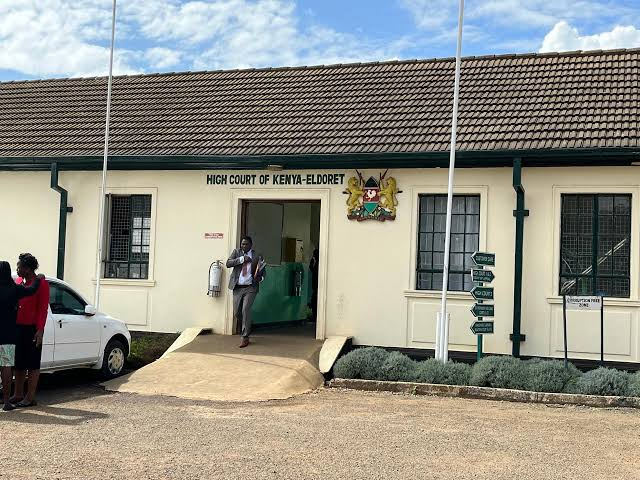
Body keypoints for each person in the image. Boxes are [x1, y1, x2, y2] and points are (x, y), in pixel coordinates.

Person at [0, 261, 44, 411]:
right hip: (7, 335)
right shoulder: (14, 289)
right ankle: (7, 402)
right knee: (6, 366)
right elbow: (32, 290)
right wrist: (38, 278)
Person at [11, 253, 49, 408]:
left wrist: (40, 329)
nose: (17, 269)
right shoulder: (19, 282)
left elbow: (43, 308)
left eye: (19, 267)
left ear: (27, 269)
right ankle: (18, 394)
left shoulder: (41, 284)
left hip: (32, 328)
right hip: (18, 327)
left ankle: (30, 397)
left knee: (32, 363)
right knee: (18, 363)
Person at [226, 236, 266, 348]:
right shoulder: (236, 252)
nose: (243, 246)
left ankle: (245, 336)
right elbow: (228, 263)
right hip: (237, 287)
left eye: (246, 244)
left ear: (251, 245)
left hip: (250, 287)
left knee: (245, 310)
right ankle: (248, 325)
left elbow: (263, 271)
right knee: (237, 312)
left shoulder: (257, 255)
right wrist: (242, 259)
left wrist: (260, 278)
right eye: (242, 244)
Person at [308, 248, 319, 322]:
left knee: (314, 301)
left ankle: (315, 317)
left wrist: (312, 263)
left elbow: (313, 270)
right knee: (314, 301)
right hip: (316, 286)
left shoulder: (318, 264)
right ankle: (315, 316)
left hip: (316, 286)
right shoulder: (318, 263)